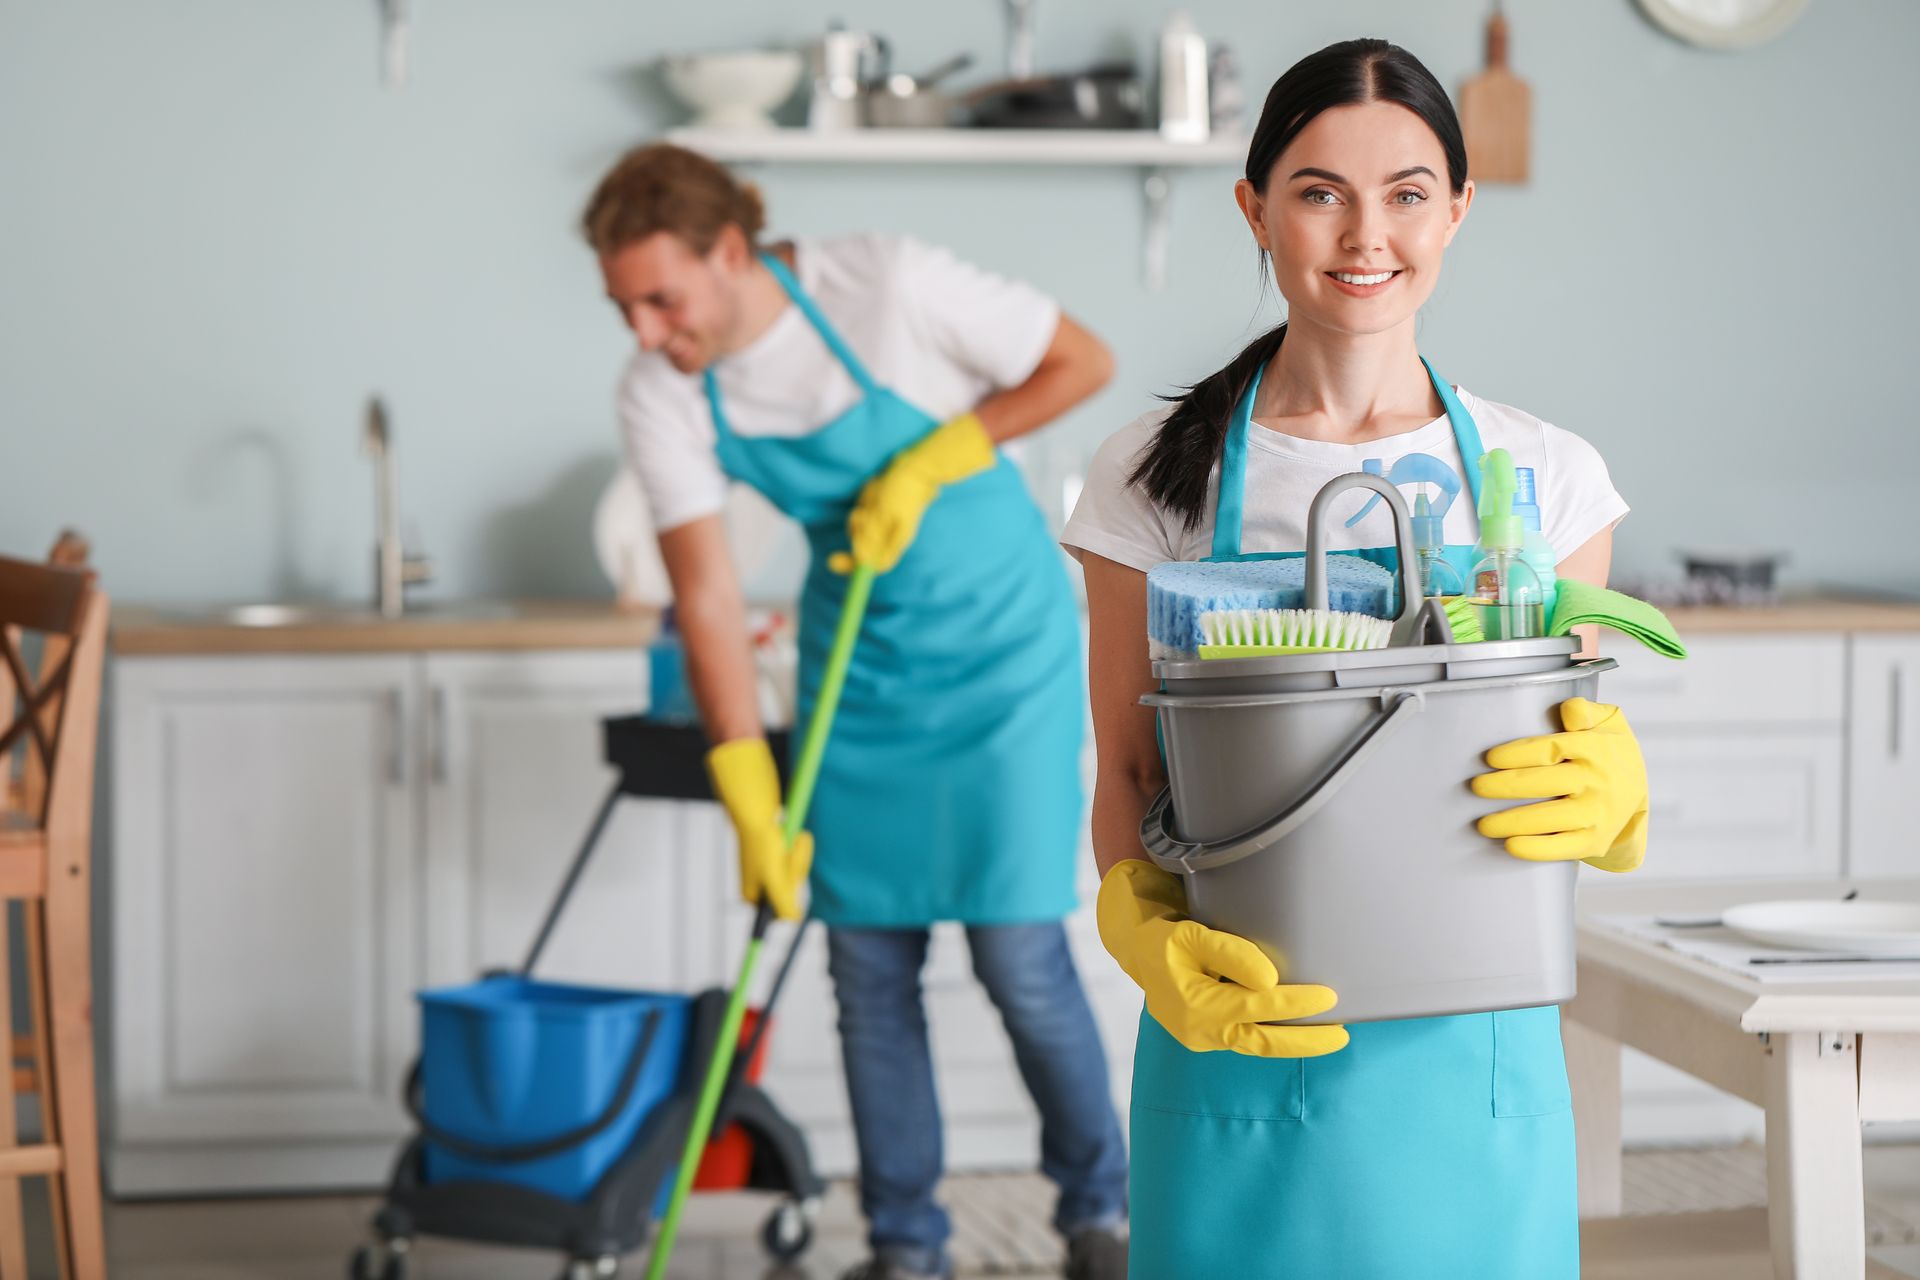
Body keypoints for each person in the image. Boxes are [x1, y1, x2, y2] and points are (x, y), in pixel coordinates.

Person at [1061, 40, 1650, 1277]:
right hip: (1247, 1025)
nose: (1365, 233)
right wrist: (1141, 932)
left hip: (1473, 1055)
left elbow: (1575, 742)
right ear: (1256, 206)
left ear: (1458, 211)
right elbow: (1124, 766)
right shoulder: (1153, 471)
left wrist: (1614, 795)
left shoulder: (1544, 477)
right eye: (1321, 190)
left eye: (1409, 193)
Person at [583, 144, 1130, 1280]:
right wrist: (748, 787)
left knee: (1019, 953)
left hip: (1001, 651)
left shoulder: (877, 284)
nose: (644, 327)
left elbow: (1083, 359)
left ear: (729, 252)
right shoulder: (664, 391)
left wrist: (940, 453)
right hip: (860, 667)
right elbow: (710, 592)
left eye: (661, 296)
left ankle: (1103, 1211)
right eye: (623, 303)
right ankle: (905, 1243)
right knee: (867, 969)